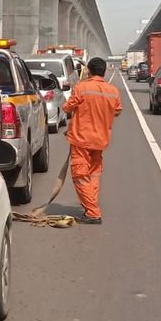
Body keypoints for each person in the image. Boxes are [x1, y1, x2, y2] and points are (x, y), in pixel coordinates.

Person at [61, 57, 122, 224]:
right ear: (104, 71)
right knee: (94, 174)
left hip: (81, 139)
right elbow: (117, 111)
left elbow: (67, 107)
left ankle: (93, 212)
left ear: (89, 71)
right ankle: (90, 206)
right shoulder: (113, 91)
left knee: (80, 175)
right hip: (100, 140)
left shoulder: (82, 88)